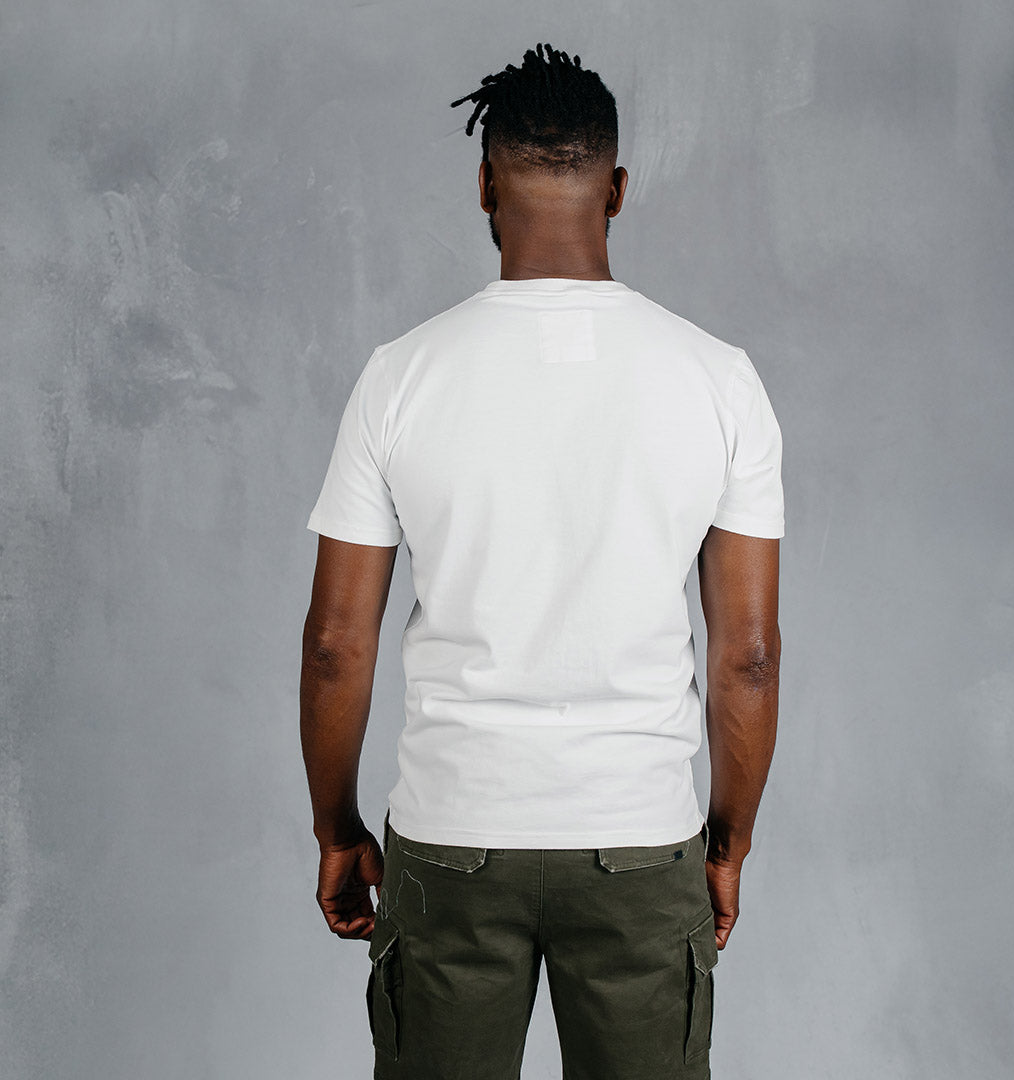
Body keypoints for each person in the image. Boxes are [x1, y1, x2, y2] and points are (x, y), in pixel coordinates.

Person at [299, 43, 784, 1080]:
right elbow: (746, 656)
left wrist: (337, 829)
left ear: (484, 185)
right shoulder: (718, 381)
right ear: (618, 189)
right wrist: (728, 842)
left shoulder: (400, 378)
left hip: (451, 836)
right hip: (640, 836)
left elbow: (338, 643)